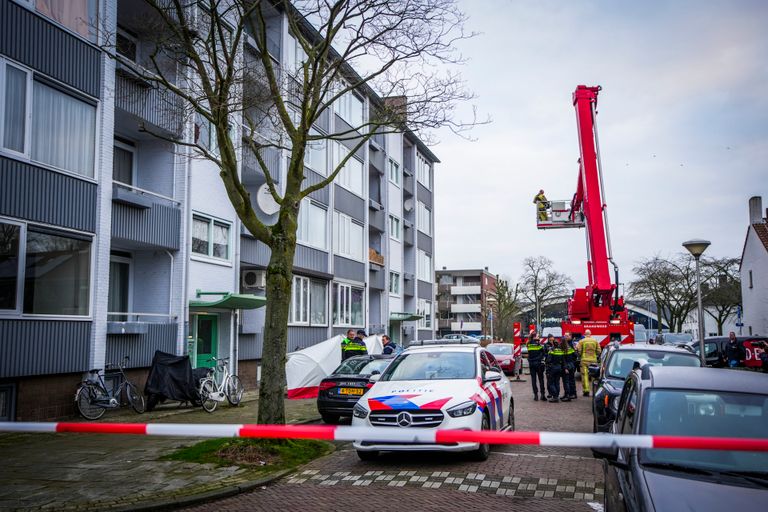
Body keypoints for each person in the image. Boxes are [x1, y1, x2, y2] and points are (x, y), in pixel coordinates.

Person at [578, 329, 601, 397]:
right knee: (594, 376)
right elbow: (599, 351)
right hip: (593, 361)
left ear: (585, 334)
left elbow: (579, 350)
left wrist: (581, 355)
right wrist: (595, 355)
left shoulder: (582, 341)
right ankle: (594, 390)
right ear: (590, 334)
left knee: (585, 376)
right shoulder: (595, 341)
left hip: (584, 361)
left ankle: (586, 390)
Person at [545, 336, 565, 403]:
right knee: (557, 382)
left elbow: (548, 360)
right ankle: (557, 395)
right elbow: (563, 360)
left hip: (552, 368)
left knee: (551, 382)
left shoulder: (552, 350)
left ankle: (555, 396)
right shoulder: (560, 350)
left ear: (553, 344)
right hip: (559, 368)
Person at [526, 334, 546, 401]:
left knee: (533, 380)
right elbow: (543, 353)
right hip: (538, 364)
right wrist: (540, 358)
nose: (538, 337)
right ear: (534, 337)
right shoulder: (538, 345)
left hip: (531, 364)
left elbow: (529, 354)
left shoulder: (528, 344)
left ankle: (536, 395)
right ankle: (542, 394)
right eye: (537, 336)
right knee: (541, 379)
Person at [561, 334, 578, 401]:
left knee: (566, 381)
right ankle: (573, 394)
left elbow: (563, 360)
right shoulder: (570, 348)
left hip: (567, 367)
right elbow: (575, 355)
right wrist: (572, 362)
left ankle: (567, 395)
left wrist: (565, 367)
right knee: (572, 380)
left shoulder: (563, 350)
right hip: (572, 365)